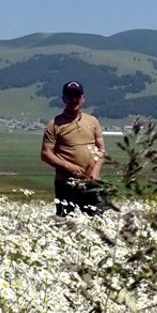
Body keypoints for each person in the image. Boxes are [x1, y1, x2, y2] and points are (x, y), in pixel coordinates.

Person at [41, 80, 107, 216]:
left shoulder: (92, 121)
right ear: (63, 99)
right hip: (66, 183)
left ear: (83, 98)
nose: (73, 99)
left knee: (97, 221)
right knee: (66, 221)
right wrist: (68, 166)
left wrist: (96, 171)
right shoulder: (54, 124)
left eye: (77, 96)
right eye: (69, 96)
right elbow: (46, 153)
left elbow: (101, 150)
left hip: (90, 182)